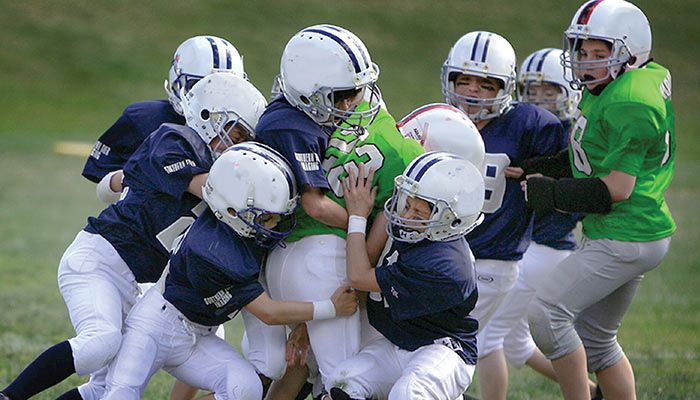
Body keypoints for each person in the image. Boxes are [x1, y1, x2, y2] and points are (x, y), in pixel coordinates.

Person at [0, 73, 267, 400]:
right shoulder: (176, 139)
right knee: (101, 342)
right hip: (99, 259)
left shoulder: (210, 162)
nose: (240, 146)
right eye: (237, 134)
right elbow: (213, 189)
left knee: (102, 387)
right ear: (209, 118)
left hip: (137, 280)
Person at [99, 143, 358, 400]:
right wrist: (330, 308)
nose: (276, 222)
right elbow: (267, 312)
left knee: (245, 388)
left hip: (199, 335)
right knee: (118, 394)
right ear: (233, 210)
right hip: (156, 326)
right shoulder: (213, 252)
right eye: (267, 216)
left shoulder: (238, 226)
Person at [523, 1, 675, 399]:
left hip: (626, 234)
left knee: (546, 315)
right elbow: (592, 153)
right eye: (582, 51)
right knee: (597, 341)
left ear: (629, 53)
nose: (586, 63)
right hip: (632, 231)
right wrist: (549, 167)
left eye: (599, 53)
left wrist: (551, 194)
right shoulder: (615, 84)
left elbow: (616, 188)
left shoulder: (629, 101)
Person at [248, 24, 384, 392]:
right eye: (342, 95)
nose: (352, 104)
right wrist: (365, 221)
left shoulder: (298, 114)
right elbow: (315, 204)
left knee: (299, 368)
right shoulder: (290, 125)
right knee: (342, 379)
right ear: (310, 90)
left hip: (295, 253)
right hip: (303, 251)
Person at [441, 31, 567, 396]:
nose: (472, 91)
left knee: (450, 345)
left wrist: (540, 168)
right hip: (444, 254)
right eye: (463, 80)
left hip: (492, 261)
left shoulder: (529, 125)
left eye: (485, 84)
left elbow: (573, 162)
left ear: (506, 87)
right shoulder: (440, 121)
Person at [477, 48, 602, 400]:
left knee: (486, 340)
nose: (539, 99)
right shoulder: (533, 131)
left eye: (550, 91)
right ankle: (593, 393)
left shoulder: (564, 138)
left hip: (543, 250)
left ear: (571, 93)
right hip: (540, 251)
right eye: (531, 91)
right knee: (516, 345)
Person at [327, 154, 484, 399]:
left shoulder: (445, 267)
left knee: (409, 394)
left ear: (450, 220)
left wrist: (357, 217)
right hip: (399, 342)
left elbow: (358, 276)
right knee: (342, 384)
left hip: (442, 348)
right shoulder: (416, 228)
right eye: (407, 204)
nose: (407, 216)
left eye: (419, 214)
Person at [83, 35, 245, 205]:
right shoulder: (145, 119)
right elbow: (104, 191)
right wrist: (137, 176)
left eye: (223, 88)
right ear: (177, 82)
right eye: (200, 86)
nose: (211, 98)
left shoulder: (243, 127)